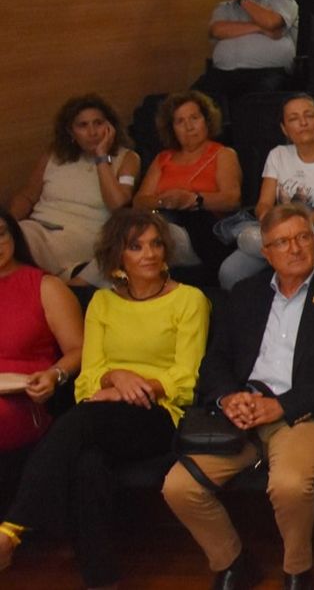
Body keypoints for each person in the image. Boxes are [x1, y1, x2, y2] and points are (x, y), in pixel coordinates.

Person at [162, 203, 314, 590]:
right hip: (241, 411)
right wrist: (228, 397)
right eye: (281, 242)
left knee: (289, 485)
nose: (294, 248)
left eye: (302, 237)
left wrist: (281, 405)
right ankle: (232, 560)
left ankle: (297, 570)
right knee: (179, 487)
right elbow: (215, 360)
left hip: (305, 415)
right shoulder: (244, 294)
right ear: (266, 252)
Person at [0, 210, 210, 587]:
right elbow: (88, 378)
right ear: (118, 257)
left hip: (158, 413)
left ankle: (12, 527)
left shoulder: (189, 300)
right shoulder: (102, 303)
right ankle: (102, 578)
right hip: (103, 410)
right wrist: (117, 377)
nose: (149, 254)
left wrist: (135, 385)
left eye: (156, 244)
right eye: (136, 246)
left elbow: (185, 377)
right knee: (86, 464)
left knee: (79, 425)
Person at [217, 94, 314, 291]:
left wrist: (290, 230)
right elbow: (264, 204)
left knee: (254, 241)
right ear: (284, 128)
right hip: (278, 227)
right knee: (229, 272)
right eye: (294, 119)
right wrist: (269, 221)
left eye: (309, 116)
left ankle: (271, 248)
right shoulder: (277, 154)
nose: (303, 123)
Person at [9, 94, 139, 283]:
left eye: (98, 123)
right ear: (71, 132)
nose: (92, 132)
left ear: (110, 127)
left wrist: (101, 156)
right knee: (16, 237)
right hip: (38, 227)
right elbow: (28, 195)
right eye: (83, 125)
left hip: (82, 236)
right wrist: (8, 225)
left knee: (20, 245)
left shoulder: (127, 158)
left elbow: (118, 204)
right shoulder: (54, 155)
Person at [0, 211, 82, 508]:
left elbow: (79, 349)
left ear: (14, 236)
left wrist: (54, 375)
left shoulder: (45, 286)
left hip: (25, 398)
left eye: (1, 234)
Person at [131, 90, 242, 275]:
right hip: (162, 222)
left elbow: (232, 199)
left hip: (203, 234)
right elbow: (139, 201)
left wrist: (192, 199)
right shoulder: (163, 158)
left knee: (144, 239)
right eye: (180, 121)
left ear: (206, 121)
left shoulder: (223, 154)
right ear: (171, 128)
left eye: (194, 118)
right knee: (128, 233)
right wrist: (165, 201)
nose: (189, 126)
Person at [194, 0, 299, 101]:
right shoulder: (225, 8)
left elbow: (271, 22)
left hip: (269, 74)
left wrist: (244, 0)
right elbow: (217, 30)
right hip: (223, 74)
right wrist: (259, 28)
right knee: (190, 103)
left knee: (254, 103)